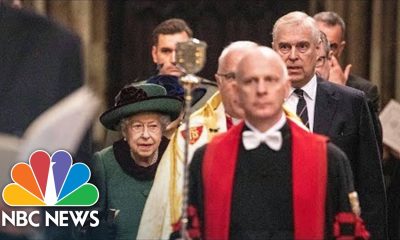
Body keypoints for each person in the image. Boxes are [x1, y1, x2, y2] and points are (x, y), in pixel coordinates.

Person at [188, 46, 364, 239]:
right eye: (250, 81)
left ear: (286, 87)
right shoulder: (207, 158)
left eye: (270, 80)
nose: (261, 90)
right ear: (237, 91)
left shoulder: (328, 158)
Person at [272, 11, 386, 239]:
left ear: (319, 50)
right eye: (284, 47)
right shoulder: (260, 103)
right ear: (273, 50)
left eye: (302, 47)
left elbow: (371, 187)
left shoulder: (352, 102)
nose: (292, 56)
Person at [90, 83, 182, 239]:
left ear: (162, 129)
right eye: (137, 126)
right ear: (125, 130)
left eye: (153, 126)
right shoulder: (104, 164)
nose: (145, 135)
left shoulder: (178, 160)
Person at [313, 11, 383, 156]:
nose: (327, 51)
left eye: (332, 46)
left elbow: (371, 149)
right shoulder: (294, 82)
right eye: (320, 43)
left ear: (341, 48)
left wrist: (340, 91)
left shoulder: (364, 90)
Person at [149, 18, 217, 112]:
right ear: (155, 54)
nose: (174, 60)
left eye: (181, 51)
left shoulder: (214, 96)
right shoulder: (135, 94)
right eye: (166, 51)